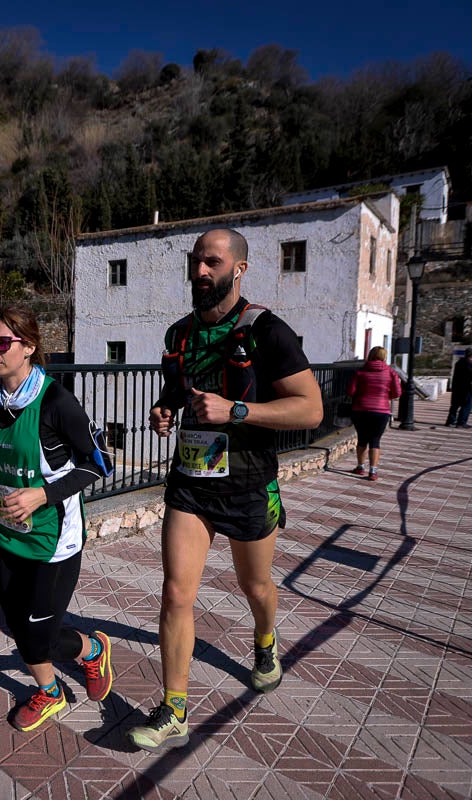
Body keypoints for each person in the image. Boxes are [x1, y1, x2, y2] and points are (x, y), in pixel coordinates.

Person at [126, 229, 323, 752]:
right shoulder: (179, 334)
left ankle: (265, 640)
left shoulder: (267, 331)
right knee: (176, 592)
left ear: (239, 269)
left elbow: (311, 409)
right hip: (192, 483)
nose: (200, 271)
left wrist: (236, 410)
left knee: (255, 587)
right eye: (196, 261)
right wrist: (164, 411)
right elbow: (176, 391)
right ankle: (174, 709)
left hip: (249, 484)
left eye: (212, 262)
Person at [0, 305, 113, 732]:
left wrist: (43, 494)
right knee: (20, 628)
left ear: (29, 346)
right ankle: (51, 692)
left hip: (54, 539)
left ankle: (92, 650)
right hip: (8, 534)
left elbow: (100, 463)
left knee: (39, 635)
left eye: (2, 343)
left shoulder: (56, 401)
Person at [348, 346, 402, 481]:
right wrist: (385, 396)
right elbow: (397, 393)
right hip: (381, 411)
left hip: (360, 410)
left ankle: (360, 467)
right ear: (384, 357)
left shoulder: (360, 372)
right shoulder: (391, 372)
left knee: (362, 439)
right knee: (375, 440)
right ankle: (373, 471)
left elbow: (351, 392)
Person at [446, 347, 472, 428]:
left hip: (456, 387)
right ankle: (461, 423)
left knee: (454, 405)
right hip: (466, 389)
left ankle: (450, 421)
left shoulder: (458, 363)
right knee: (466, 406)